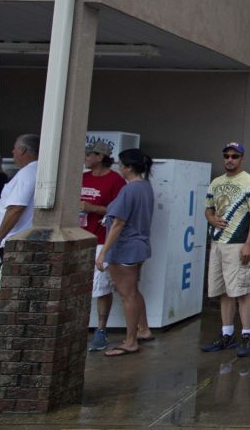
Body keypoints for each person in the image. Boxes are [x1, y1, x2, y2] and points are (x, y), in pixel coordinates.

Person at [201, 141, 250, 358]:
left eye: (234, 156)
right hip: (218, 243)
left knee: (241, 291)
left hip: (238, 242)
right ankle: (227, 334)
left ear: (241, 158)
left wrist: (248, 243)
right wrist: (211, 219)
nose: (230, 159)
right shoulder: (216, 182)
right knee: (223, 292)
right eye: (226, 155)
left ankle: (247, 334)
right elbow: (208, 208)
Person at [96, 148, 156, 357]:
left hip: (125, 249)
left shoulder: (129, 190)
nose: (118, 167)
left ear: (128, 167)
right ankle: (144, 329)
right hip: (139, 246)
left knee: (126, 294)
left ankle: (130, 341)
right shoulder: (145, 187)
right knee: (133, 290)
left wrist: (103, 252)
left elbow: (118, 223)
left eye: (120, 164)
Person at [81, 140, 135, 352]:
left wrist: (91, 208)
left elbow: (119, 212)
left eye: (90, 153)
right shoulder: (82, 177)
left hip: (102, 238)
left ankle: (101, 329)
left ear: (101, 157)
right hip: (80, 236)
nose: (86, 157)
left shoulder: (116, 181)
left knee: (101, 286)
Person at [0, 134, 39, 268]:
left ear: (22, 150)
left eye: (14, 148)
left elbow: (16, 208)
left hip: (14, 240)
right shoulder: (37, 170)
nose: (12, 152)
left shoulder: (27, 173)